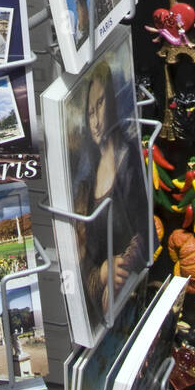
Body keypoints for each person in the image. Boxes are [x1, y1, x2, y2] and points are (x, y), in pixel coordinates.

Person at [73, 60, 149, 325]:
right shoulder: (85, 182)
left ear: (114, 101)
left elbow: (147, 232)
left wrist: (125, 265)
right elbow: (81, 261)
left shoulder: (130, 160)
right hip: (103, 311)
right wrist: (102, 274)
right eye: (90, 112)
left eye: (101, 104)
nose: (95, 121)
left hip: (133, 291)